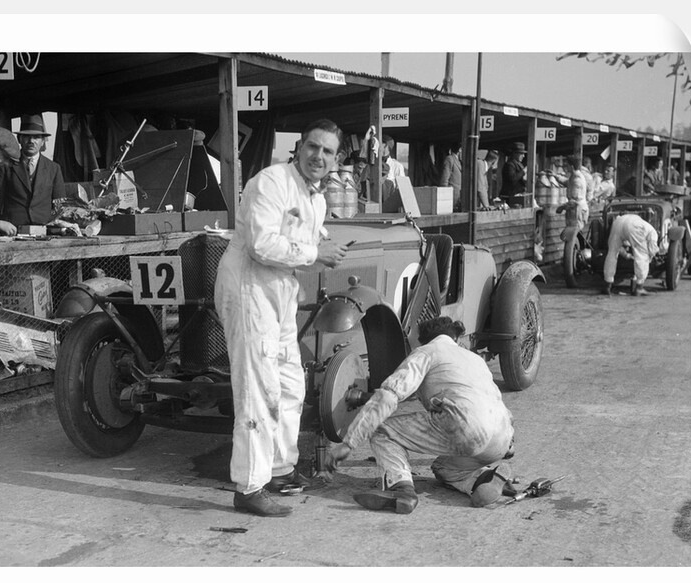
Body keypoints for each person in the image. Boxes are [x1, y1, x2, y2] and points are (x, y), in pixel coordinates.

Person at [214, 119, 350, 517]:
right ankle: (250, 486)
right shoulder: (270, 182)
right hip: (248, 288)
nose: (318, 156)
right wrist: (315, 254)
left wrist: (317, 243)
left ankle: (279, 468)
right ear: (298, 148)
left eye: (327, 151)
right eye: (312, 147)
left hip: (281, 293)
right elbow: (260, 244)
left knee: (290, 384)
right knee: (257, 388)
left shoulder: (317, 200)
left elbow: (298, 241)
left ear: (336, 159)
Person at [325, 316, 516, 514]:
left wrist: (349, 442)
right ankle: (484, 480)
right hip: (502, 439)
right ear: (455, 338)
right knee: (444, 469)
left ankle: (401, 489)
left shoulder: (426, 352)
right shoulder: (475, 359)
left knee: (382, 431)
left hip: (468, 428)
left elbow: (389, 397)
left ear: (423, 340)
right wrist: (508, 445)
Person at [0, 114, 66, 227]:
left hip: (44, 230)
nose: (31, 141)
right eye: (27, 136)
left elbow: (60, 205)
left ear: (43, 141)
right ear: (19, 139)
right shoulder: (6, 165)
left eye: (36, 137)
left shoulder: (54, 168)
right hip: (12, 229)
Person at [602, 213, 660, 297]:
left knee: (612, 253)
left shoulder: (638, 221)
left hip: (617, 223)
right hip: (634, 226)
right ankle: (639, 287)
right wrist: (652, 256)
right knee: (641, 255)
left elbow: (619, 248)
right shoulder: (652, 231)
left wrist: (626, 255)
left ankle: (607, 285)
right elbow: (652, 249)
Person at [557, 155, 589, 232]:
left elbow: (574, 201)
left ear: (571, 166)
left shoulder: (577, 180)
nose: (565, 167)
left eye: (566, 165)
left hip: (578, 211)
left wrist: (562, 207)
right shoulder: (574, 177)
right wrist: (555, 176)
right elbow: (567, 182)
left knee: (574, 234)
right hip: (574, 211)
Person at [500, 142, 527, 207]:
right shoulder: (509, 165)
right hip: (510, 198)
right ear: (515, 154)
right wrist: (523, 171)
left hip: (518, 197)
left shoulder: (519, 164)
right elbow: (512, 179)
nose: (523, 156)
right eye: (521, 154)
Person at [439, 142, 463, 209]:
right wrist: (445, 195)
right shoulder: (450, 159)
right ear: (459, 149)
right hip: (451, 194)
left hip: (457, 194)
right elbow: (445, 178)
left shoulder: (458, 160)